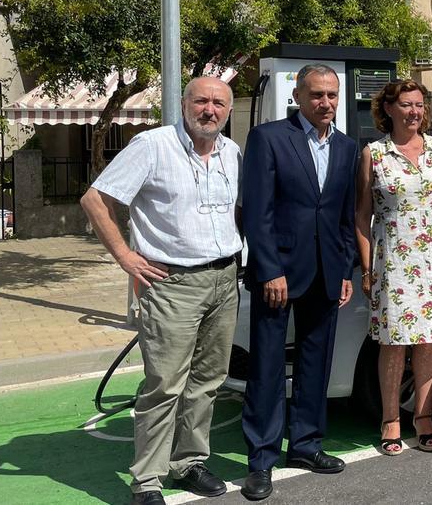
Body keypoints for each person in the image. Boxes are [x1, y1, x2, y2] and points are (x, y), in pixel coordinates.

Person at [80, 77, 241, 505]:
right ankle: (148, 481)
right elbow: (95, 200)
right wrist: (126, 257)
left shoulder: (232, 152)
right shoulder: (152, 146)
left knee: (208, 381)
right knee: (165, 384)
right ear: (184, 103)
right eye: (201, 100)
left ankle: (188, 462)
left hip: (224, 279)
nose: (210, 110)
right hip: (172, 284)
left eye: (219, 103)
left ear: (227, 110)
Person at [240, 64, 358, 501]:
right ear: (299, 95)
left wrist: (345, 270)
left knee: (316, 363)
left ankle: (306, 445)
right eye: (317, 95)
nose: (325, 103)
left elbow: (344, 215)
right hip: (279, 275)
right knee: (268, 367)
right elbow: (256, 210)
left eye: (331, 95)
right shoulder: (269, 138)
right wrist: (269, 268)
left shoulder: (347, 147)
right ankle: (261, 459)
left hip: (327, 272)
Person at [356, 80, 432, 455]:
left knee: (430, 340)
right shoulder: (375, 153)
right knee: (394, 342)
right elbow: (362, 214)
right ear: (388, 109)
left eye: (419, 105)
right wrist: (367, 268)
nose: (414, 112)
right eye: (405, 105)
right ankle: (390, 418)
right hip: (396, 263)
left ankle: (423, 415)